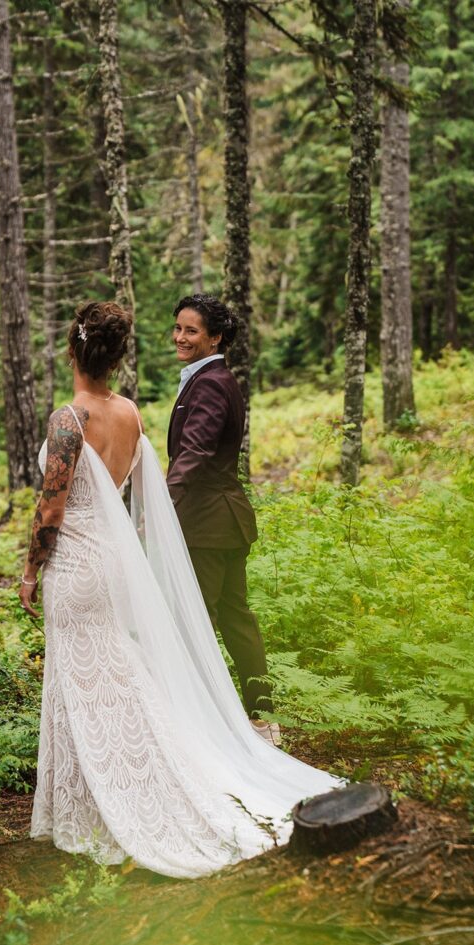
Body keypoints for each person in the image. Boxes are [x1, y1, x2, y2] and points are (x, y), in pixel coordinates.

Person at [19, 300, 335, 879]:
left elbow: (51, 507)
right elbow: (143, 499)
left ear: (73, 352)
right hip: (113, 560)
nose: (181, 335)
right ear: (115, 357)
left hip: (76, 564)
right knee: (119, 674)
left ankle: (108, 798)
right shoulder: (130, 414)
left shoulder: (70, 419)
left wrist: (29, 569)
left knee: (82, 679)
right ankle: (124, 779)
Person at [168, 294, 270, 731]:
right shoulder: (216, 377)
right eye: (178, 328)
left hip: (207, 522)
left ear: (215, 337)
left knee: (199, 621)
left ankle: (205, 722)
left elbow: (195, 449)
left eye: (192, 331)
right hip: (224, 518)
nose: (181, 337)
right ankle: (263, 714)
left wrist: (163, 503)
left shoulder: (209, 383)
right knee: (235, 616)